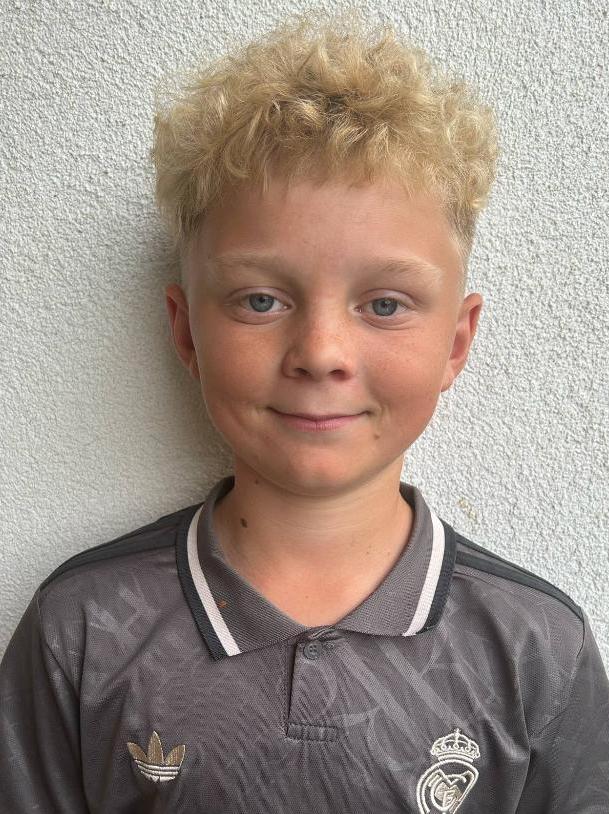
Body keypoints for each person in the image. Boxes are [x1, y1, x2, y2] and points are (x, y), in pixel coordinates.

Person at [1, 9, 607, 813]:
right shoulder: (82, 630)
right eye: (260, 299)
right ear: (185, 331)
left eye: (384, 304)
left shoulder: (537, 651)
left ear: (456, 343)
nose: (321, 352)